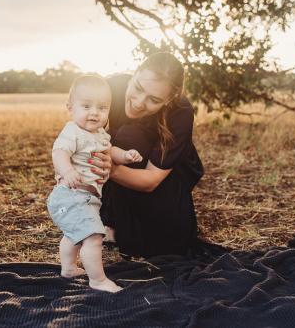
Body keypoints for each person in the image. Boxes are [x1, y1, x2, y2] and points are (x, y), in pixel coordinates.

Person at [86, 52, 204, 258]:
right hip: (118, 169)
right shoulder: (108, 89)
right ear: (134, 73)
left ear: (169, 99)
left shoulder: (180, 112)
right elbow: (82, 136)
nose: (139, 103)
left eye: (154, 99)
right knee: (113, 141)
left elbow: (151, 180)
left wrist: (107, 167)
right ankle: (109, 221)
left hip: (165, 183)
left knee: (131, 137)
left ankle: (130, 227)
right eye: (138, 88)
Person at [47, 75, 142, 293]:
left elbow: (111, 151)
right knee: (93, 236)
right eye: (86, 106)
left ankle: (69, 269)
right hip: (71, 193)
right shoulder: (73, 131)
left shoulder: (101, 135)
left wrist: (126, 156)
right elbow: (59, 152)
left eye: (102, 107)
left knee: (75, 234)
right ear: (70, 108)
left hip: (86, 197)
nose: (94, 113)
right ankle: (98, 280)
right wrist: (68, 170)